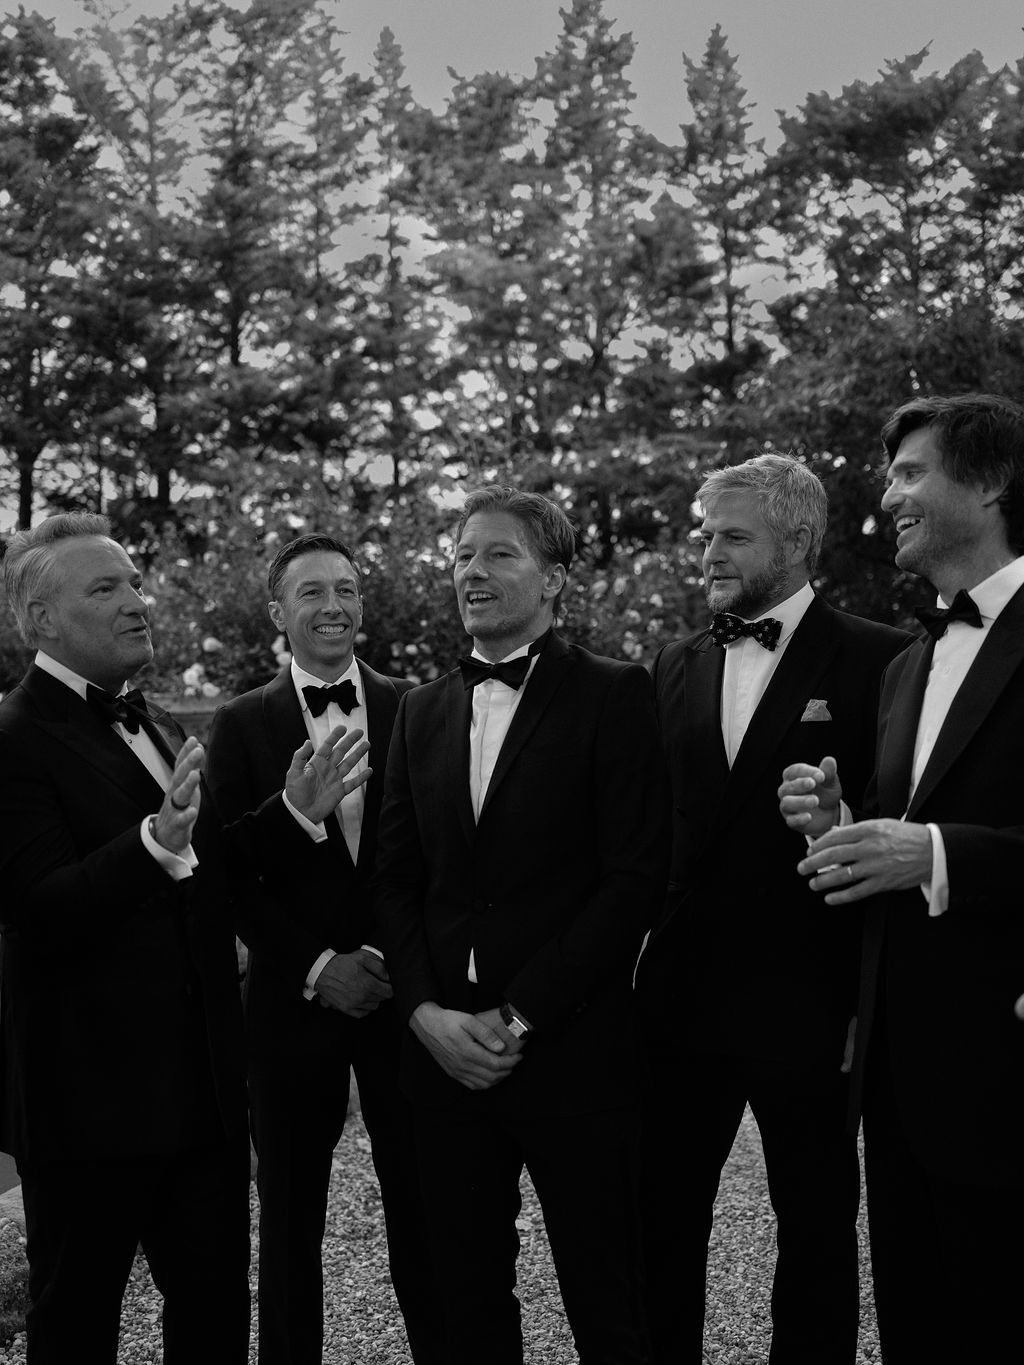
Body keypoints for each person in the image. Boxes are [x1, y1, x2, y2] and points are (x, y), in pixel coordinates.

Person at [0, 513, 368, 1364]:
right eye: (107, 587)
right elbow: (35, 903)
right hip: (89, 1102)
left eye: (134, 581)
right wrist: (150, 844)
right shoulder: (13, 738)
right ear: (41, 619)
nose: (137, 600)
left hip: (201, 1093)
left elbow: (207, 869)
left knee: (211, 1320)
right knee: (77, 1320)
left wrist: (290, 815)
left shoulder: (153, 721)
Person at [374, 486, 667, 1365]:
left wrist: (521, 1014)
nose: (473, 570)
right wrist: (424, 1013)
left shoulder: (616, 695)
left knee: (609, 1296)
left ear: (554, 581)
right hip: (442, 1055)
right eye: (462, 554)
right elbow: (393, 880)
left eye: (499, 553)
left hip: (571, 1047)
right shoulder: (420, 709)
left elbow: (633, 882)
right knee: (463, 1295)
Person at [635, 454, 911, 1365]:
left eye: (733, 535)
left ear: (796, 540)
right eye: (706, 533)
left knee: (819, 1229)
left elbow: (906, 826)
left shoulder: (882, 657)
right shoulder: (673, 664)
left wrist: (872, 1001)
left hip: (814, 997)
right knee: (661, 1227)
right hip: (679, 1002)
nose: (710, 550)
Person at [780, 394, 1024, 1365]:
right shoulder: (904, 667)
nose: (886, 499)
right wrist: (841, 830)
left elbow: (929, 847)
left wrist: (928, 855)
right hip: (899, 1074)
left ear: (993, 481)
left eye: (910, 473)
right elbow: (901, 836)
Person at [205, 533, 443, 1365]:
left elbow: (431, 856)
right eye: (312, 592)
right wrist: (316, 967)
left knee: (425, 1203)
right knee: (290, 1217)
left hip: (398, 995)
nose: (333, 606)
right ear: (278, 610)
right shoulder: (240, 724)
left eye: (346, 589)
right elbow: (229, 875)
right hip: (289, 1003)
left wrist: (386, 959)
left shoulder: (416, 705)